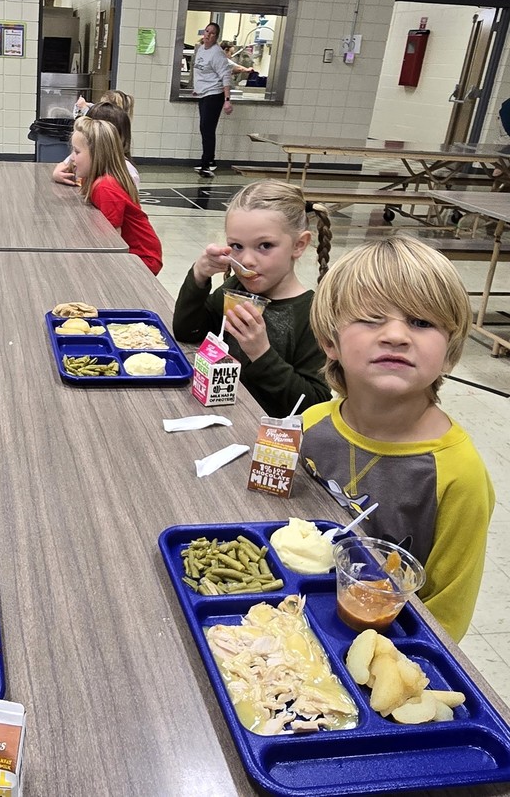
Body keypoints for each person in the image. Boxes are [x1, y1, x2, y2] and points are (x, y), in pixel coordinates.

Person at [303, 237, 494, 641]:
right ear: (330, 342)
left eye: (421, 322)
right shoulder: (310, 424)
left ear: (450, 353)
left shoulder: (459, 476)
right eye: (371, 318)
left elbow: (446, 618)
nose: (395, 335)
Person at [172, 180, 332, 417]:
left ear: (298, 245)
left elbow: (313, 406)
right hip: (222, 417)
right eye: (237, 246)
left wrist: (261, 353)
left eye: (265, 245)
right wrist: (199, 276)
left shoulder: (312, 315)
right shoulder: (237, 289)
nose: (246, 260)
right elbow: (188, 332)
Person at [70, 117, 162, 275]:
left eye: (77, 152)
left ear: (96, 155)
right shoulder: (93, 178)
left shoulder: (105, 187)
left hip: (141, 258)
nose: (72, 157)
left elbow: (111, 240)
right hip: (134, 253)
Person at [53, 102, 140, 189]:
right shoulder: (86, 155)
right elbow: (64, 165)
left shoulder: (126, 171)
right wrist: (57, 174)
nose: (73, 157)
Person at [192, 21, 233, 178]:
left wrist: (227, 99)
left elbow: (225, 75)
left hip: (214, 94)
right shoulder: (201, 49)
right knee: (204, 128)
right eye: (207, 31)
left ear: (216, 37)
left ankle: (207, 163)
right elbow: (201, 72)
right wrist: (197, 88)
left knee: (207, 129)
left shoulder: (217, 53)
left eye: (212, 33)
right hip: (203, 93)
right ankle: (209, 159)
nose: (208, 35)